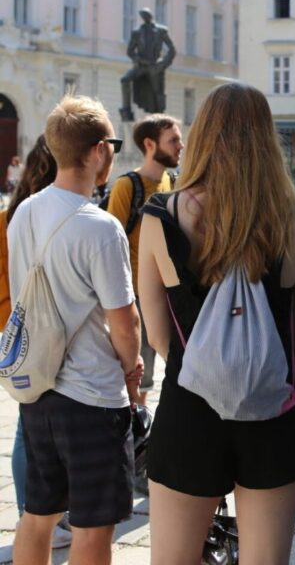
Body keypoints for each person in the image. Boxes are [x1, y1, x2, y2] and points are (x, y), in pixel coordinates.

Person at [138, 83, 295, 565]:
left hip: (189, 407)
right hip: (274, 409)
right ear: (266, 137)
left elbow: (157, 334)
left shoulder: (161, 215)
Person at [8, 95, 142, 565]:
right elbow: (123, 320)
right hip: (91, 394)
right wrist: (134, 369)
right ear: (98, 151)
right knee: (92, 528)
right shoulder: (100, 227)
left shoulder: (22, 211)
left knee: (38, 515)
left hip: (38, 386)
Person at [0, 137, 71, 550]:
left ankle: (40, 513)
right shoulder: (47, 216)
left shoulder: (13, 213)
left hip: (16, 329)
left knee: (32, 425)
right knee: (31, 429)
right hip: (41, 332)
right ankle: (35, 513)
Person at [107, 113, 183, 406]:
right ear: (150, 144)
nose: (181, 145)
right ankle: (137, 426)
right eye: (173, 140)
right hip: (136, 295)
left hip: (167, 291)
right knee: (138, 369)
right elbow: (110, 245)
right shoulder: (128, 186)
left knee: (163, 366)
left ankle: (144, 419)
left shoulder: (171, 181)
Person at [120, 8, 176, 122]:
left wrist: (163, 63)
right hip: (141, 66)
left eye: (146, 15)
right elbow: (130, 51)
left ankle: (160, 116)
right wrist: (137, 59)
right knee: (125, 80)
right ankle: (126, 111)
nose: (145, 18)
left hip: (155, 66)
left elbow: (172, 49)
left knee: (157, 91)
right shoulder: (137, 32)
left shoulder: (161, 31)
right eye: (143, 16)